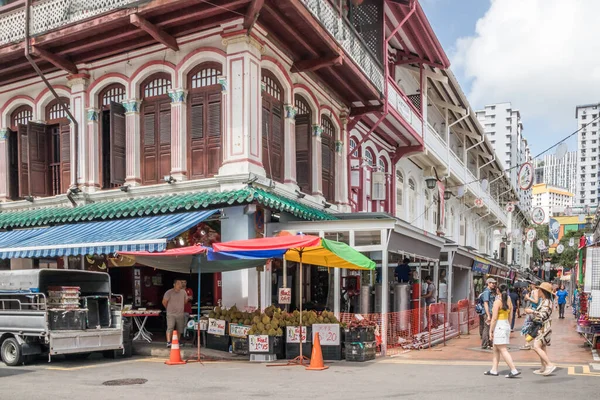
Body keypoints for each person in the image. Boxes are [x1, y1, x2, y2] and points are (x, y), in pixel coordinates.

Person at [484, 283, 520, 378]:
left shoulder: (497, 302)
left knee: (503, 349)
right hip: (505, 324)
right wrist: (508, 325)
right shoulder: (509, 300)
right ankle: (494, 370)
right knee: (496, 348)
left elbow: (494, 318)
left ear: (497, 291)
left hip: (499, 325)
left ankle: (513, 369)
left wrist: (490, 330)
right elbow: (511, 315)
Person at [524, 282, 556, 376]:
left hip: (543, 327)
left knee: (536, 346)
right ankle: (544, 367)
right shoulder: (544, 301)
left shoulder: (546, 302)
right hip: (542, 326)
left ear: (543, 291)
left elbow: (543, 315)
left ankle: (549, 364)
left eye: (539, 290)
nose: (537, 291)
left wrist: (532, 311)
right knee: (542, 346)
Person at [162, 279, 188, 348]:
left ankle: (178, 341)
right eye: (178, 284)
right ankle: (168, 342)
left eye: (181, 284)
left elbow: (185, 301)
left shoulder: (183, 292)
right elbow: (164, 302)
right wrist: (168, 308)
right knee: (170, 327)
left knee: (180, 328)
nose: (180, 285)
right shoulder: (169, 292)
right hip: (171, 313)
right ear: (174, 285)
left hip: (180, 313)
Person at [520, 283, 540, 350]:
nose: (530, 286)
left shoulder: (535, 291)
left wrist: (528, 298)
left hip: (533, 311)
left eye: (531, 284)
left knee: (527, 326)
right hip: (534, 311)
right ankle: (530, 343)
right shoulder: (535, 291)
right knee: (532, 327)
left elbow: (536, 301)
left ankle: (527, 343)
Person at [480, 278, 497, 349]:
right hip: (488, 312)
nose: (494, 284)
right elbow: (486, 303)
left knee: (490, 328)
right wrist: (488, 315)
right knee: (487, 328)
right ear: (488, 283)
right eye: (492, 283)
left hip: (491, 312)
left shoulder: (490, 291)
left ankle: (489, 343)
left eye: (494, 283)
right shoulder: (486, 292)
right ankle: (484, 344)